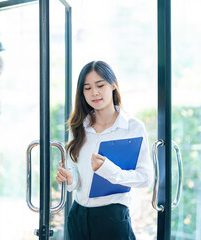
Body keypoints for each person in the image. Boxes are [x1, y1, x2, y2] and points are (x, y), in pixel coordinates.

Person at [55, 61, 153, 240]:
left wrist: (110, 171)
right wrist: (70, 178)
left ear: (113, 84)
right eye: (87, 88)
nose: (94, 92)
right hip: (77, 216)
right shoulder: (78, 127)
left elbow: (146, 178)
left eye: (100, 85)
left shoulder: (133, 128)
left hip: (112, 219)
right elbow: (74, 171)